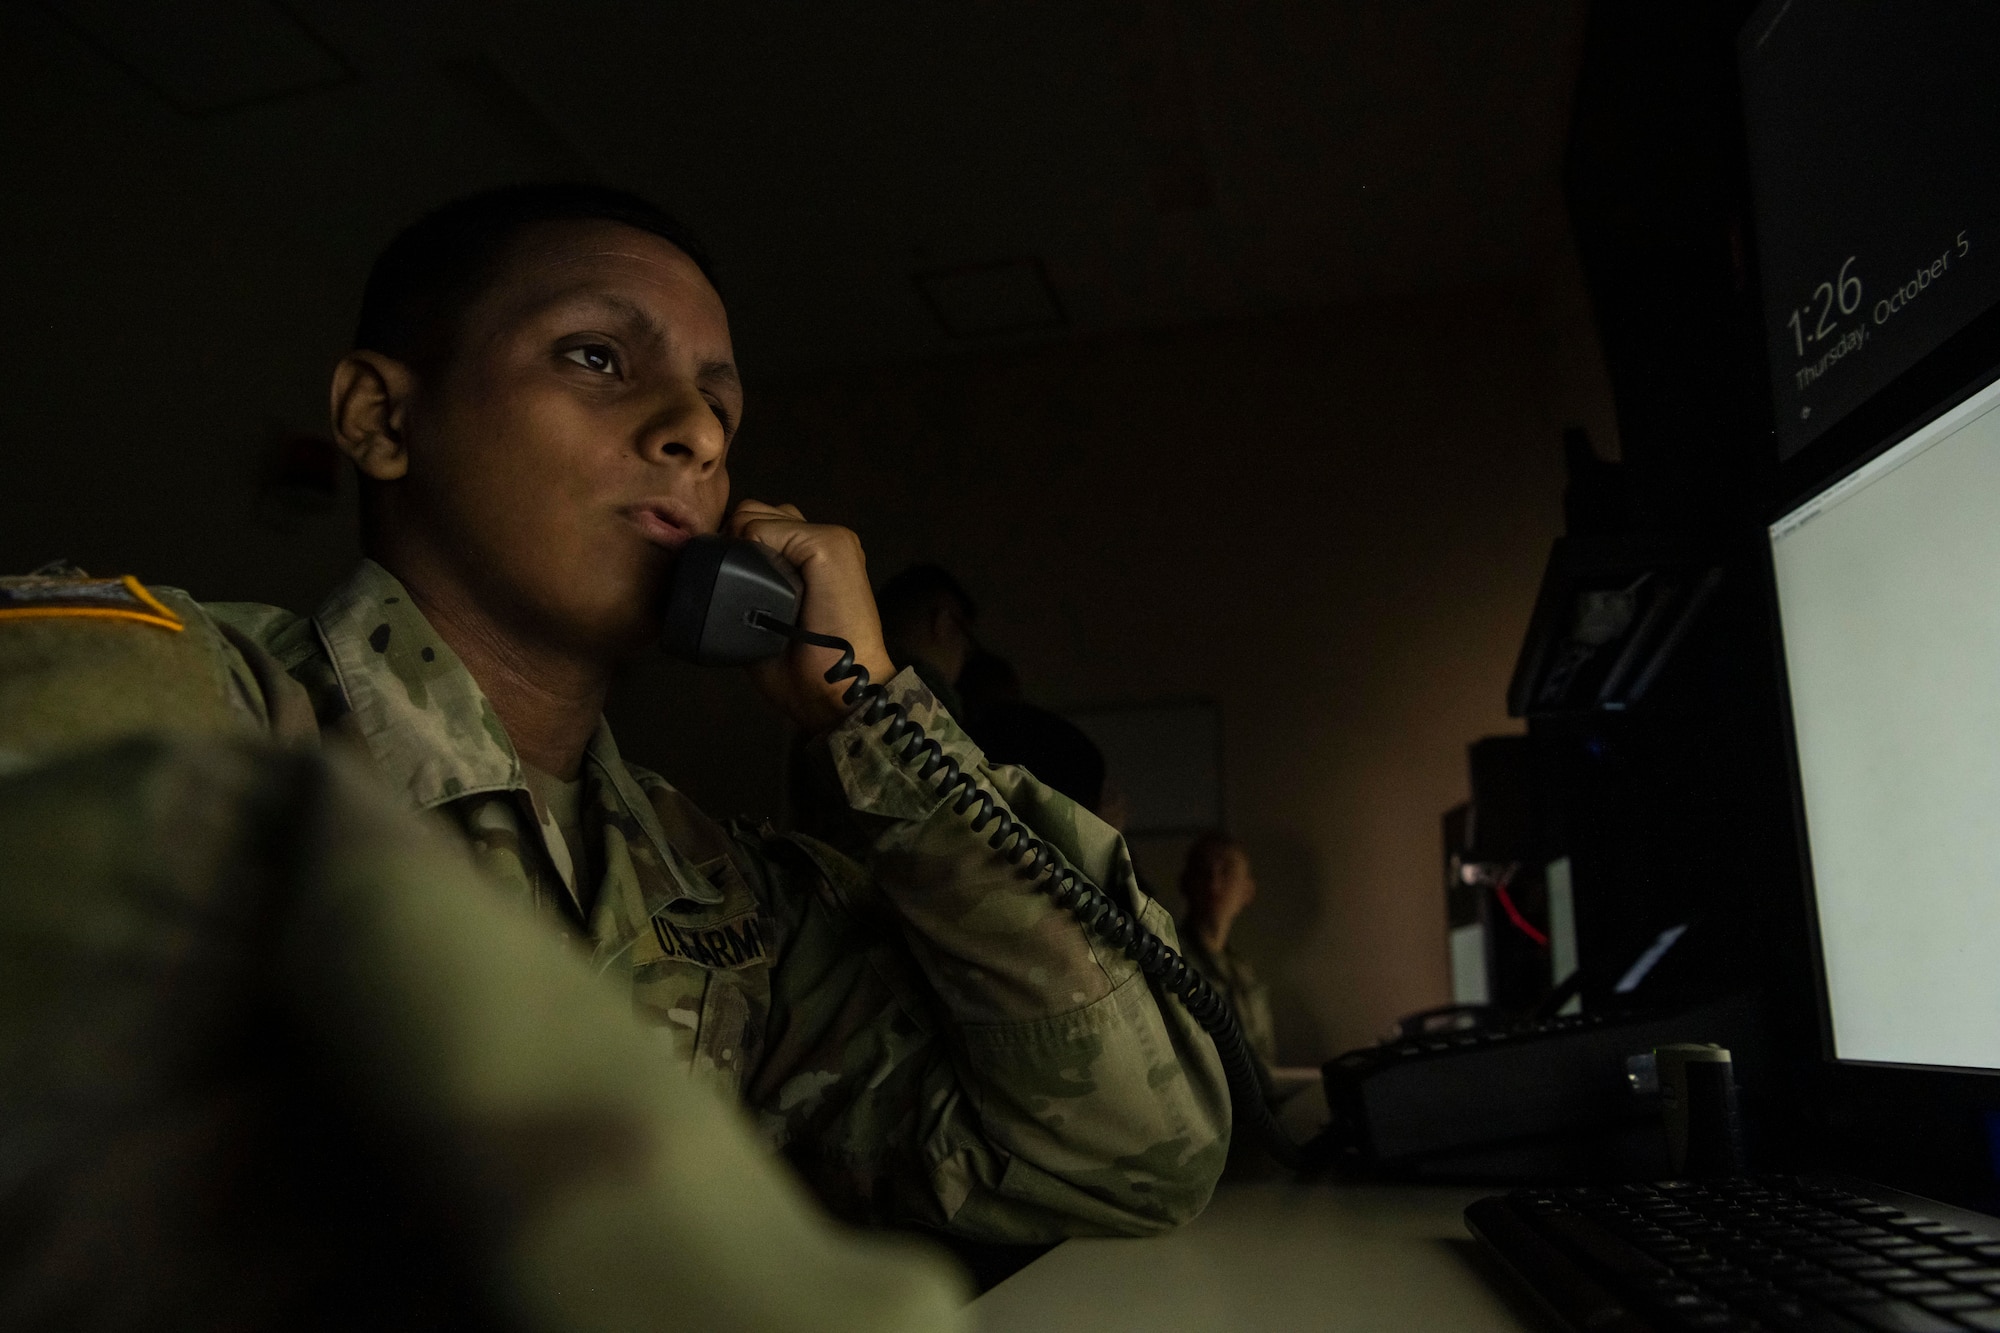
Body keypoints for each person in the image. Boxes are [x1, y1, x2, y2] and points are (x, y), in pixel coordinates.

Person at [0, 183, 1227, 1246]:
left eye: (719, 407)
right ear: (381, 418)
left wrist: (880, 723)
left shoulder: (723, 895)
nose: (694, 432)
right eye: (595, 356)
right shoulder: (185, 713)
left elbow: (1123, 1156)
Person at [1177, 831, 1278, 1066]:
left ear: (1247, 891)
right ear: (1185, 883)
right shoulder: (1167, 958)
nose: (1214, 884)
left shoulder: (1244, 974)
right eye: (1203, 872)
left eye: (1227, 872)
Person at [874, 563, 980, 717]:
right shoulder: (932, 705)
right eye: (966, 645)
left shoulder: (847, 671)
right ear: (944, 625)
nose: (964, 658)